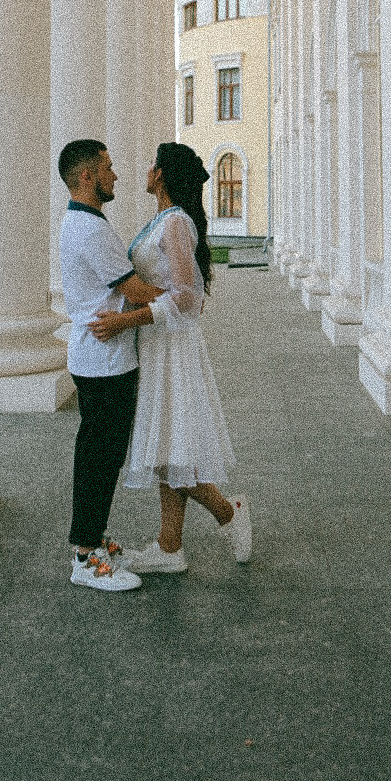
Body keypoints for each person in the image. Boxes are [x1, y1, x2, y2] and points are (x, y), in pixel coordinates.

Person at [92, 140, 251, 573]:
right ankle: (169, 547)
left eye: (150, 164)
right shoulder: (163, 219)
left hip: (172, 348)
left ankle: (227, 512)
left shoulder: (176, 222)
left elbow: (186, 297)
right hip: (158, 342)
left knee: (170, 449)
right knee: (167, 443)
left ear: (160, 174)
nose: (143, 170)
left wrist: (125, 322)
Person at [57, 138, 165, 593]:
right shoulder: (91, 230)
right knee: (100, 457)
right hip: (103, 360)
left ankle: (92, 539)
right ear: (87, 176)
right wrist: (181, 298)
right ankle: (85, 555)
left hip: (100, 355)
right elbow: (136, 291)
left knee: (100, 453)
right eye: (108, 167)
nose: (115, 174)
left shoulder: (84, 222)